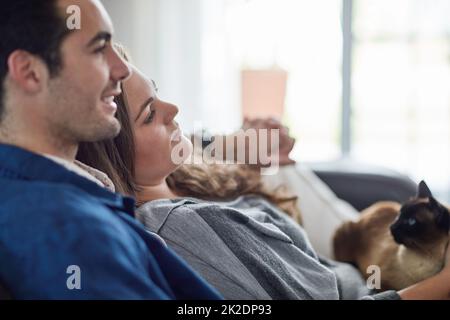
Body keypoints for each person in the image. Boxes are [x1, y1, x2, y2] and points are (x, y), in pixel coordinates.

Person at [77, 48, 450, 300]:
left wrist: (257, 152)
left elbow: (210, 147)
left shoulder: (185, 171)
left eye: (158, 94)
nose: (173, 108)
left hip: (363, 264)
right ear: (116, 155)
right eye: (149, 114)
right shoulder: (178, 227)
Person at [0, 0, 222, 299]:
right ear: (30, 72)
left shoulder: (43, 191)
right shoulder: (72, 230)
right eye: (97, 49)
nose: (121, 69)